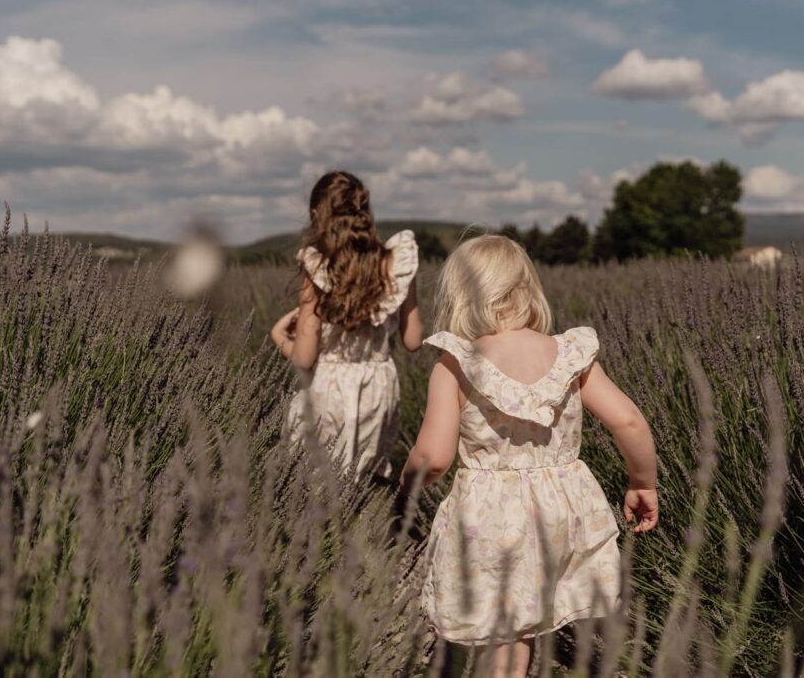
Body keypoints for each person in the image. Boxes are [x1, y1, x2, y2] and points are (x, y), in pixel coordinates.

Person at [400, 235, 658, 678]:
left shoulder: (456, 361)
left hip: (493, 518)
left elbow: (435, 457)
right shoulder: (569, 354)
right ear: (527, 289)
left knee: (502, 633)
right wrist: (642, 482)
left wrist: (407, 485)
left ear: (460, 295)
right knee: (526, 623)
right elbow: (629, 422)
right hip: (562, 513)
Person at [271, 171, 423, 481]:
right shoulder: (397, 262)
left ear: (317, 215)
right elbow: (413, 339)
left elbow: (304, 357)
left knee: (316, 485)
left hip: (329, 389)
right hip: (378, 390)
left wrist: (278, 336)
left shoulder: (317, 266)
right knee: (367, 484)